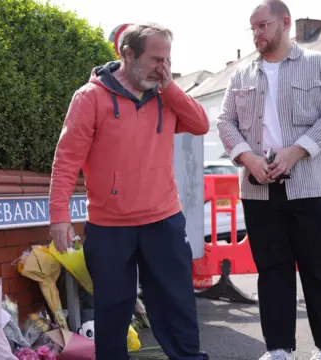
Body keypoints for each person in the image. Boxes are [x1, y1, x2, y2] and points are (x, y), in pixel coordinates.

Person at [48, 23, 210, 360]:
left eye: (166, 59)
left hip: (163, 221)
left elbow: (200, 124)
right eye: (155, 59)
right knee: (112, 312)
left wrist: (171, 88)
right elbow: (66, 160)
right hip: (109, 228)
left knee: (177, 304)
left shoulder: (166, 96)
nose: (162, 67)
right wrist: (59, 215)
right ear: (128, 54)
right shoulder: (90, 98)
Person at [216, 1, 321, 360]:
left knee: (319, 270)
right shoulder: (241, 75)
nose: (256, 33)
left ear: (285, 23)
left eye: (262, 25)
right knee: (272, 271)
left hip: (310, 185)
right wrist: (248, 158)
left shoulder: (319, 65)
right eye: (253, 28)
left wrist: (297, 150)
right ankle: (278, 350)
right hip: (258, 189)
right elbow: (225, 121)